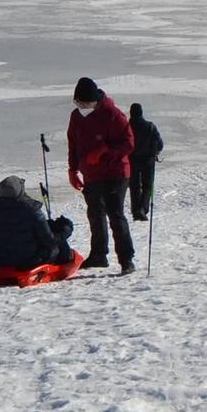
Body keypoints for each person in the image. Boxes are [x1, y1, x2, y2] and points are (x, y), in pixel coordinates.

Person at [67, 76, 136, 273]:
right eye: (78, 102)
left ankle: (126, 259)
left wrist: (105, 150)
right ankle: (98, 255)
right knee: (95, 214)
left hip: (116, 173)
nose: (81, 106)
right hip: (92, 174)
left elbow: (128, 144)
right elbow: (73, 144)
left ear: (95, 100)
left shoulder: (113, 114)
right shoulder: (76, 117)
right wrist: (73, 169)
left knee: (115, 215)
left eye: (85, 103)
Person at [0, 176, 74, 270]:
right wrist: (66, 230)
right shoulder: (31, 210)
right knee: (57, 243)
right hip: (28, 260)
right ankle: (66, 261)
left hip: (0, 260)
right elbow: (50, 241)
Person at [128, 103, 164, 222]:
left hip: (132, 160)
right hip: (148, 160)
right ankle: (143, 208)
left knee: (134, 186)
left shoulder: (127, 126)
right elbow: (159, 144)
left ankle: (135, 210)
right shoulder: (149, 126)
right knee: (147, 185)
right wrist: (156, 151)